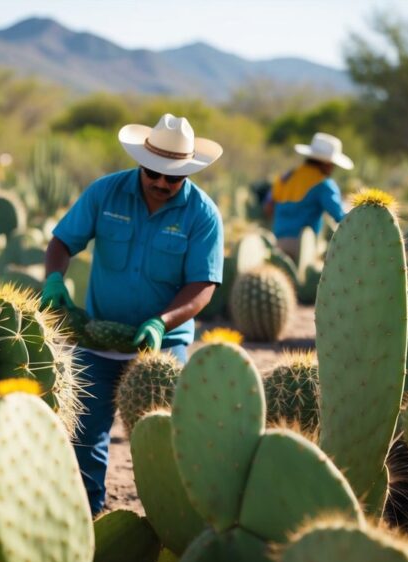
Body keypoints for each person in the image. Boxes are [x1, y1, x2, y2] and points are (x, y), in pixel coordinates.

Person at [40, 114, 225, 514]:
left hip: (161, 350)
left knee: (166, 442)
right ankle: (88, 520)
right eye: (152, 173)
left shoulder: (203, 215)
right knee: (84, 436)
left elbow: (203, 285)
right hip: (98, 342)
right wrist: (54, 280)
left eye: (171, 178)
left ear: (187, 173)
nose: (160, 183)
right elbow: (61, 242)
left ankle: (170, 524)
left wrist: (162, 322)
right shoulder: (105, 193)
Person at [263, 132, 352, 262]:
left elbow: (268, 206)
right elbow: (340, 216)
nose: (333, 169)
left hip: (277, 244)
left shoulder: (286, 177)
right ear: (327, 163)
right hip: (303, 248)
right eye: (333, 165)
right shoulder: (324, 184)